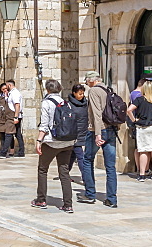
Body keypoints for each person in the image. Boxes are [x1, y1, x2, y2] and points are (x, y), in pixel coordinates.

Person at [31, 79, 77, 212]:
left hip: (52, 142)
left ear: (47, 90)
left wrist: (39, 141)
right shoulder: (66, 103)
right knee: (64, 172)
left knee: (42, 169)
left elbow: (44, 125)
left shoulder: (47, 103)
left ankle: (41, 200)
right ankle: (68, 204)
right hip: (67, 142)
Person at [78, 71, 119, 208]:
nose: (86, 84)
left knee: (87, 160)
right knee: (110, 166)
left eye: (87, 81)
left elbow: (96, 113)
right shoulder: (108, 89)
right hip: (111, 130)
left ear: (92, 80)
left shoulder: (94, 91)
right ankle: (112, 199)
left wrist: (98, 134)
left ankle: (90, 194)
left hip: (97, 130)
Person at [127, 80, 152, 182]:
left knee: (143, 150)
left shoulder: (139, 100)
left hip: (143, 128)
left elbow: (129, 110)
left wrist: (134, 120)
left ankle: (142, 174)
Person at [66, 83, 88, 175]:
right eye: (80, 93)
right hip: (74, 134)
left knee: (72, 155)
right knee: (80, 156)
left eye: (83, 93)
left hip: (84, 132)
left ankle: (65, 173)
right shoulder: (68, 105)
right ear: (74, 93)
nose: (82, 95)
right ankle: (86, 177)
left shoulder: (86, 103)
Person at [0, 82, 16, 157]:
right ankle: (3, 149)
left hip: (9, 117)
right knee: (2, 134)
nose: (4, 90)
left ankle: (11, 150)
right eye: (3, 89)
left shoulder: (10, 95)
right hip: (1, 116)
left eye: (5, 88)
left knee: (9, 134)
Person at [6, 78, 25, 157]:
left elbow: (17, 105)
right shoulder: (11, 93)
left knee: (13, 134)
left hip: (15, 116)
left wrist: (16, 117)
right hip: (13, 116)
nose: (6, 87)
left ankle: (20, 151)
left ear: (10, 85)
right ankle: (18, 151)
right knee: (16, 134)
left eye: (7, 85)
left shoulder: (15, 93)